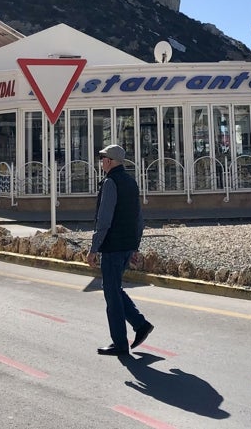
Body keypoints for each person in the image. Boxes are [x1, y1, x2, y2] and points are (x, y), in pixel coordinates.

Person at [87, 144, 153, 356]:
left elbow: (104, 221)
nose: (101, 162)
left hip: (113, 246)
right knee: (113, 288)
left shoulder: (110, 183)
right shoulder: (131, 182)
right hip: (126, 244)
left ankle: (120, 344)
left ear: (109, 161)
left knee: (111, 295)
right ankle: (140, 325)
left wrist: (94, 248)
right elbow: (139, 219)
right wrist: (135, 245)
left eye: (103, 158)